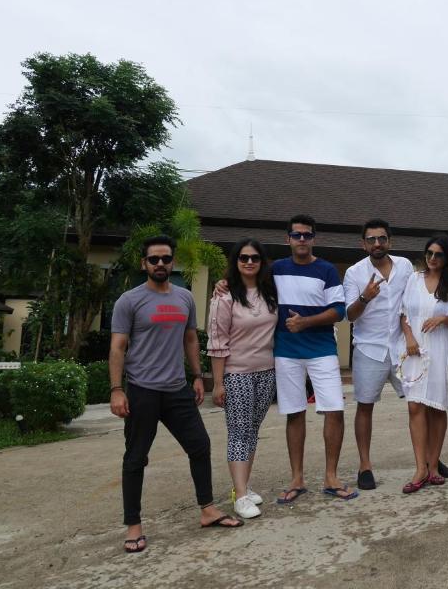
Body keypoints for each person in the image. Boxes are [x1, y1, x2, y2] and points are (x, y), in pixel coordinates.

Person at [109, 235, 242, 554]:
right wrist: (116, 390)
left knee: (200, 445)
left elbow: (190, 339)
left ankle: (207, 510)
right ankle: (134, 525)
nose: (160, 264)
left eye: (165, 259)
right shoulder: (129, 300)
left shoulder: (185, 298)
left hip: (176, 389)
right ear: (144, 263)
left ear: (172, 262)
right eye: (153, 259)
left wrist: (197, 376)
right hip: (142, 390)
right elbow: (118, 347)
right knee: (136, 457)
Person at [217, 215, 356, 503]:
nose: (302, 240)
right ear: (288, 239)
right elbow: (248, 277)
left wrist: (306, 322)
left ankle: (331, 477)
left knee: (334, 410)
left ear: (314, 238)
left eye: (307, 235)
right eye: (296, 235)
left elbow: (339, 311)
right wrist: (223, 283)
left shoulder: (327, 270)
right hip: (286, 352)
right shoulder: (275, 269)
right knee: (295, 413)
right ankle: (297, 479)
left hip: (321, 350)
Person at [207, 238, 278, 518]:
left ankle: (243, 487)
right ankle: (240, 496)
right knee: (238, 432)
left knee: (252, 431)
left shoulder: (270, 293)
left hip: (266, 372)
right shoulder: (224, 297)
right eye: (243, 258)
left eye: (255, 258)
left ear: (262, 262)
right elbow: (217, 342)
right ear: (235, 262)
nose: (249, 262)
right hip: (237, 374)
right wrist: (218, 383)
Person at [343, 219, 414, 491]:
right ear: (363, 244)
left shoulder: (405, 266)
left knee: (419, 404)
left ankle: (429, 460)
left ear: (389, 241)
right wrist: (365, 297)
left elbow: (411, 303)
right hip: (369, 349)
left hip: (402, 347)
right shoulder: (354, 273)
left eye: (382, 238)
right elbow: (350, 315)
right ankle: (365, 466)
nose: (377, 243)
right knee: (365, 406)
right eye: (371, 239)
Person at [398, 235, 448, 492]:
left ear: (447, 258)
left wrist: (443, 319)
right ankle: (420, 468)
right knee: (415, 406)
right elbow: (403, 313)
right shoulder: (413, 279)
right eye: (429, 253)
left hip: (442, 350)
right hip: (415, 350)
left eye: (438, 254)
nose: (432, 258)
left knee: (437, 408)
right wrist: (409, 337)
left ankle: (434, 465)